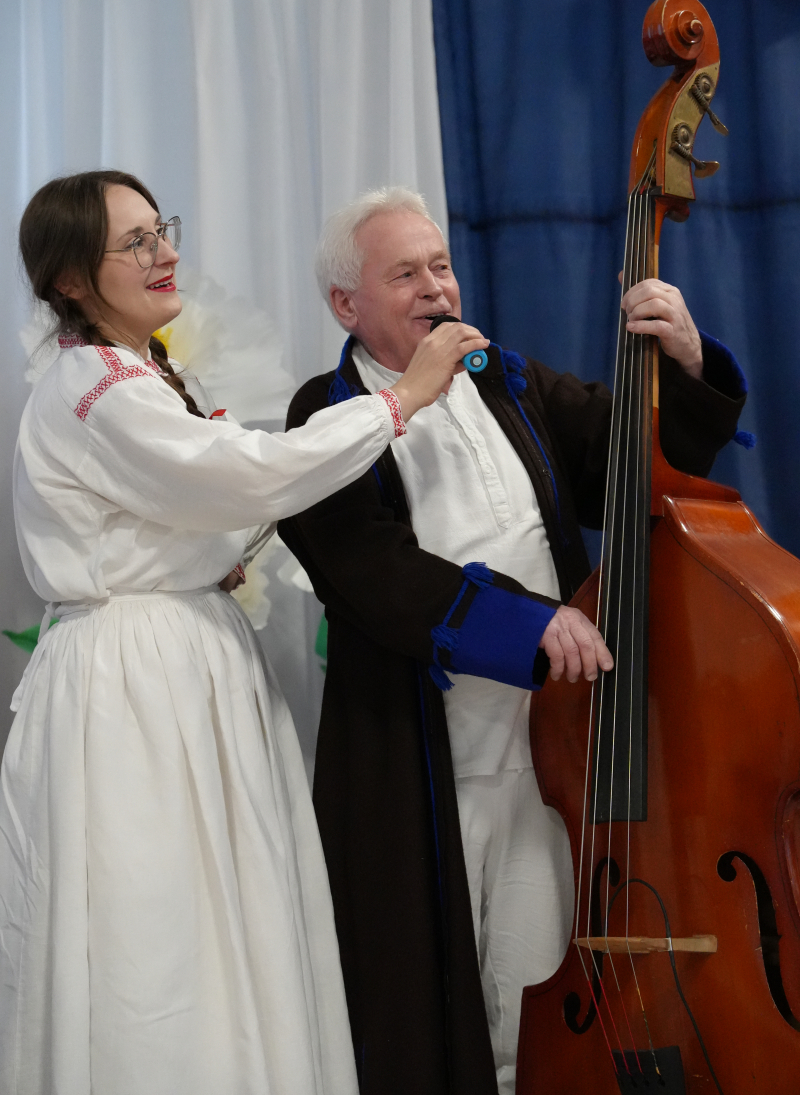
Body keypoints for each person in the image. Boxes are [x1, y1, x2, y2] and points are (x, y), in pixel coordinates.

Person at [0, 171, 488, 1095]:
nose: (165, 253)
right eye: (135, 242)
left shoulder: (130, 372)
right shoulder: (96, 383)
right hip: (136, 690)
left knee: (224, 923)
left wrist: (203, 552)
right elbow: (248, 473)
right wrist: (399, 401)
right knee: (162, 935)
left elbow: (191, 500)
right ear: (70, 279)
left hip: (181, 662)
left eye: (162, 230)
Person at [277, 187, 748, 1095]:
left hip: (548, 757)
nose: (435, 288)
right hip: (421, 760)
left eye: (441, 266)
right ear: (346, 305)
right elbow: (372, 573)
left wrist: (688, 360)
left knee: (533, 1005)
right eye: (404, 274)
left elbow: (633, 467)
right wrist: (533, 621)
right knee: (430, 1015)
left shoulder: (508, 378)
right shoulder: (322, 413)